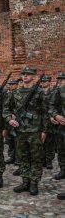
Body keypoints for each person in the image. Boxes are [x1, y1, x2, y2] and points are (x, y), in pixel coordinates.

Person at [4, 66, 46, 196]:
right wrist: (9, 119)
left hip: (35, 131)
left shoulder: (39, 92)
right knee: (22, 157)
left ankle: (34, 183)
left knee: (36, 158)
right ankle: (25, 181)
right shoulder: (16, 92)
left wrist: (44, 130)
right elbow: (6, 109)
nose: (25, 76)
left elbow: (45, 112)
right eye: (23, 74)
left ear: (33, 76)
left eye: (28, 74)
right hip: (20, 131)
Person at [48, 72, 65, 200]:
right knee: (62, 152)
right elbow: (51, 106)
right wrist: (56, 115)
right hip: (63, 128)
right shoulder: (60, 90)